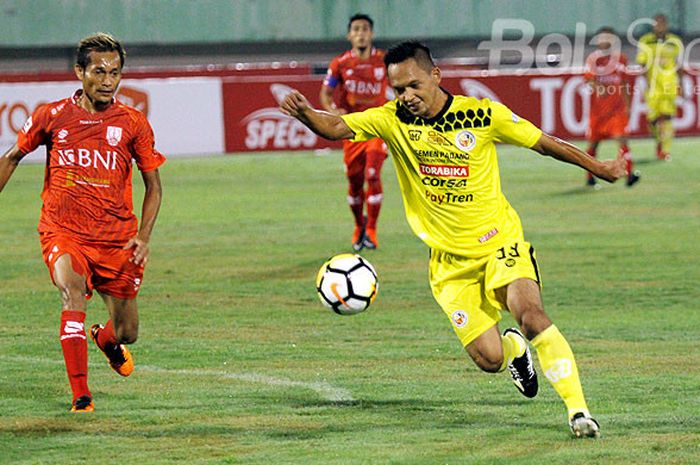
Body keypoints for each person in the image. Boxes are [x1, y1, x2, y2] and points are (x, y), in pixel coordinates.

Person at [282, 41, 628, 438]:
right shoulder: (391, 119)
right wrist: (306, 114)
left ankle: (579, 413)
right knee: (489, 359)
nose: (407, 97)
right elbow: (339, 127)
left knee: (530, 315)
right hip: (449, 264)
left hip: (501, 244)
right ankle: (514, 350)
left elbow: (546, 144)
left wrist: (598, 167)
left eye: (413, 86)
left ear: (435, 76)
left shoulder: (481, 114)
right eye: (398, 90)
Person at [0, 33, 165, 412]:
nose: (108, 80)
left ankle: (106, 339)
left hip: (117, 239)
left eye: (115, 72)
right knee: (71, 293)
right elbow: (11, 157)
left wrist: (143, 236)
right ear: (80, 72)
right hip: (64, 231)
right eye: (99, 71)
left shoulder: (132, 123)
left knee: (128, 332)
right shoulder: (52, 116)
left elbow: (153, 185)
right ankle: (81, 396)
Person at [319, 13, 390, 251]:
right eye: (357, 29)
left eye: (365, 29)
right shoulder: (340, 63)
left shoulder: (384, 60)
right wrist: (332, 111)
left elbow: (400, 85)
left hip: (378, 127)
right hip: (352, 130)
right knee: (355, 183)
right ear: (350, 35)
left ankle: (372, 230)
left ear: (372, 34)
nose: (361, 33)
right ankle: (359, 226)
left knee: (373, 175)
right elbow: (325, 95)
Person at [584, 27, 640, 188]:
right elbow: (589, 78)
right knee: (593, 144)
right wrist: (598, 87)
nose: (605, 40)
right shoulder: (593, 59)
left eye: (608, 37)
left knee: (622, 141)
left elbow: (624, 84)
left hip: (616, 111)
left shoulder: (620, 59)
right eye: (602, 37)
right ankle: (589, 177)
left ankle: (629, 175)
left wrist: (628, 106)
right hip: (598, 112)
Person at [636, 14, 683, 161]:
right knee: (653, 119)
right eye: (657, 23)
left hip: (669, 84)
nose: (659, 26)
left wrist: (680, 83)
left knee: (666, 116)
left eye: (662, 23)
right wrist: (647, 81)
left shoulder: (675, 41)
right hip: (653, 86)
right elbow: (642, 64)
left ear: (666, 25)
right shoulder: (646, 41)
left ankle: (665, 150)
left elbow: (678, 65)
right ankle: (659, 142)